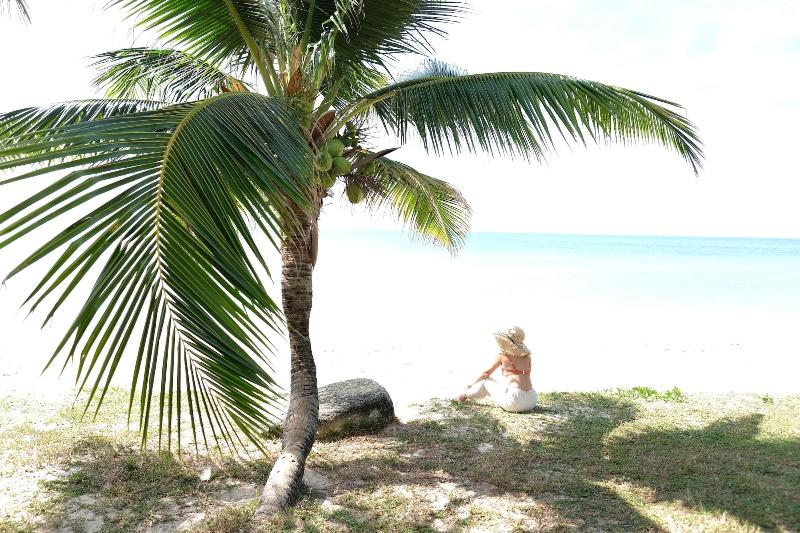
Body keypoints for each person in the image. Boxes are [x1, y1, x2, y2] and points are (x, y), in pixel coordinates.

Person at [457, 326, 538, 412]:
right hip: (532, 400)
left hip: (515, 402)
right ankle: (468, 393)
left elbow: (486, 374)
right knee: (505, 387)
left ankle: (464, 395)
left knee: (486, 381)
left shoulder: (502, 356)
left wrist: (472, 385)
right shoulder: (527, 357)